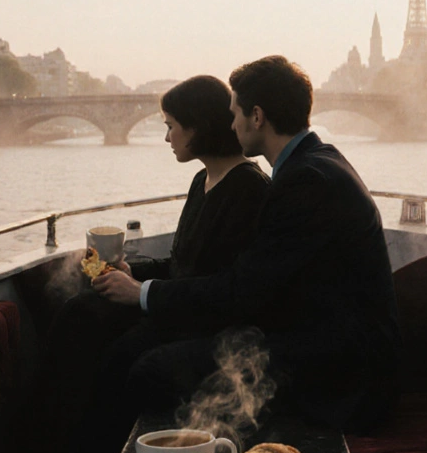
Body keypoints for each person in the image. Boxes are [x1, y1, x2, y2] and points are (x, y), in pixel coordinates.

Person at [92, 55, 401, 431]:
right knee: (151, 357)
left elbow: (243, 290)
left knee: (151, 370)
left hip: (342, 372)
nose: (231, 124)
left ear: (257, 117)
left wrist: (143, 293)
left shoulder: (305, 182)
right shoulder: (315, 164)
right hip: (325, 343)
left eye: (235, 113)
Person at [12, 75, 269, 453]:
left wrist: (141, 294)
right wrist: (135, 274)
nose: (167, 137)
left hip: (203, 324)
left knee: (115, 357)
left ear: (197, 127)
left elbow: (224, 287)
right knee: (78, 314)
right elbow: (183, 263)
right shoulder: (203, 181)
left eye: (171, 126)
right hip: (175, 309)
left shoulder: (248, 189)